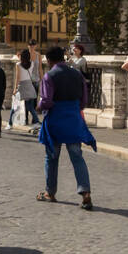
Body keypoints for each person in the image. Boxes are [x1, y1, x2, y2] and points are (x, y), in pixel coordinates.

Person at [36, 46, 95, 209]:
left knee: (52, 157)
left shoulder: (49, 76)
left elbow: (47, 100)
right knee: (77, 157)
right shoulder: (77, 74)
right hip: (73, 119)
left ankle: (50, 192)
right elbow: (83, 101)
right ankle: (86, 192)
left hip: (56, 120)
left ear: (49, 60)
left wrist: (39, 107)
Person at [7, 50, 39, 130]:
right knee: (30, 107)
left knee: (15, 107)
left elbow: (17, 78)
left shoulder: (18, 65)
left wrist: (15, 89)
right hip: (29, 86)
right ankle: (37, 122)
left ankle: (10, 124)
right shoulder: (32, 63)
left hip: (22, 86)